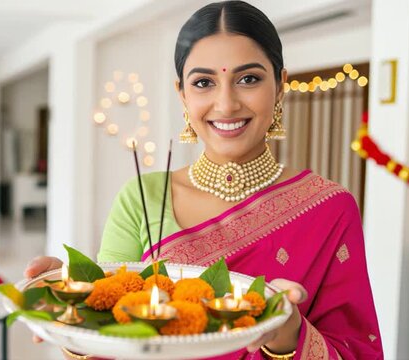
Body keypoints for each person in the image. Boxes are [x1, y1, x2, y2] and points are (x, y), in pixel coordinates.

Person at [25, 1, 383, 359]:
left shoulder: (329, 208)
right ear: (182, 94)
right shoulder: (142, 196)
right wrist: (78, 312)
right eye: (204, 83)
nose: (226, 105)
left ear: (280, 85)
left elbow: (356, 351)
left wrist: (289, 335)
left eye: (248, 79)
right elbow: (114, 340)